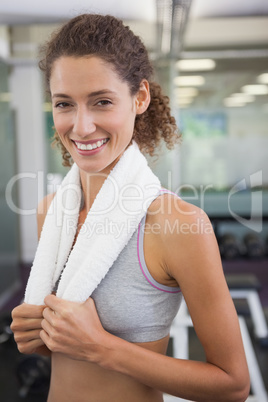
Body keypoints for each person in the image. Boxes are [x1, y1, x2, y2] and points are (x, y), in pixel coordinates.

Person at [11, 13, 250, 402]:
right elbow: (66, 351)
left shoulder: (179, 225)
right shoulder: (51, 211)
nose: (82, 126)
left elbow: (233, 384)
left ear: (139, 98)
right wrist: (39, 336)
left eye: (102, 102)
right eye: (64, 104)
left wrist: (100, 346)